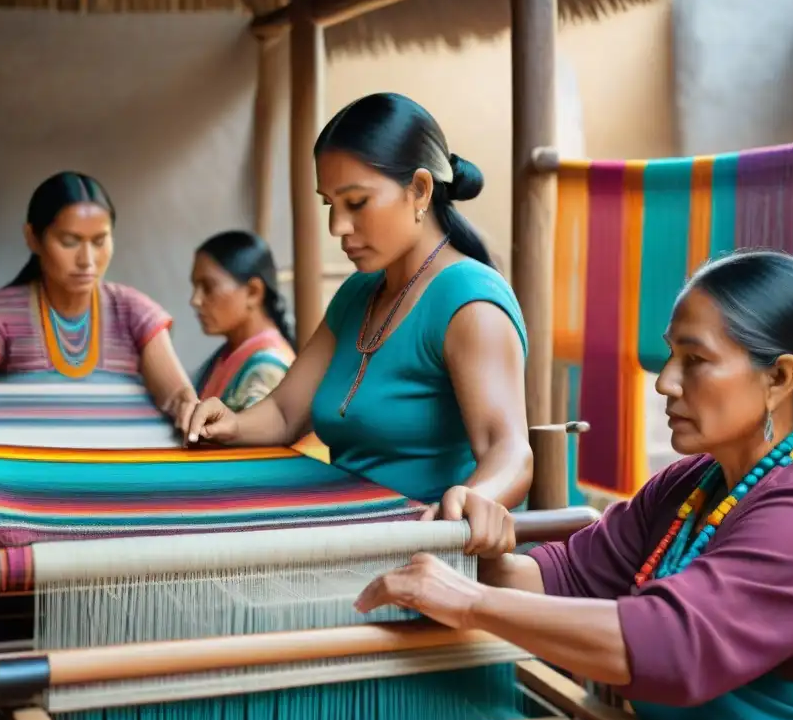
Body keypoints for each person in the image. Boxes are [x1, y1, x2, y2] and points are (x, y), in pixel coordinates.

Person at [354, 250, 793, 720]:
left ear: (779, 378)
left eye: (696, 360)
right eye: (670, 357)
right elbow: (567, 576)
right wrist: (471, 546)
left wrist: (471, 601)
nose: (665, 383)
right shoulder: (695, 485)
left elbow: (671, 646)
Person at [180, 92, 531, 520]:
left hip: (427, 554)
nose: (337, 227)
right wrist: (232, 423)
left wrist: (467, 504)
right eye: (330, 204)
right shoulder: (359, 293)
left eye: (356, 203)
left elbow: (508, 450)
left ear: (419, 190)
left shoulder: (469, 302)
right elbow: (286, 411)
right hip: (348, 537)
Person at [0, 171, 196, 416]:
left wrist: (189, 409)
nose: (87, 260)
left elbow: (178, 398)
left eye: (99, 241)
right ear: (33, 238)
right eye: (69, 241)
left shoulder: (135, 312)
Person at [190, 230, 296, 412]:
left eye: (208, 287)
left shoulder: (267, 369)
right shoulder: (230, 354)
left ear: (253, 292)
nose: (195, 300)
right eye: (195, 287)